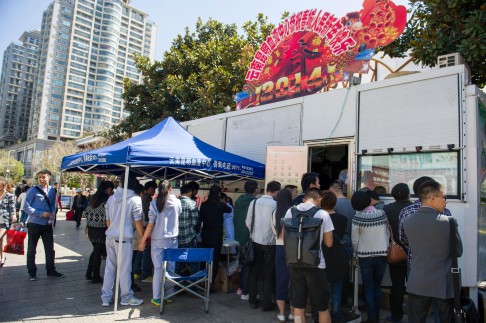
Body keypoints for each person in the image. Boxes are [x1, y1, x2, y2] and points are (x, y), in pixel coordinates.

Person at [403, 180, 462, 322]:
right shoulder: (449, 222)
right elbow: (458, 251)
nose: (445, 202)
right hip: (443, 284)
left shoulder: (408, 220)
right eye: (444, 197)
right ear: (432, 198)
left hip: (417, 281)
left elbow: (406, 243)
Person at [284, 187, 334, 323]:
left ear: (304, 198)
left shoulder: (290, 211)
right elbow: (329, 243)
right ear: (319, 198)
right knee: (322, 307)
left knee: (298, 305)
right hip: (316, 264)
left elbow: (284, 237)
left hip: (294, 262)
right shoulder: (323, 214)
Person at [101, 173, 145, 307]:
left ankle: (106, 298)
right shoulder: (135, 199)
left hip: (110, 237)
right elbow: (138, 222)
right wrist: (142, 238)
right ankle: (126, 297)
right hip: (124, 239)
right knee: (125, 269)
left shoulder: (111, 198)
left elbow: (108, 220)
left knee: (110, 268)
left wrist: (113, 230)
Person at [139, 180, 181, 306]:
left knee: (158, 269)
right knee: (171, 267)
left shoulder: (154, 203)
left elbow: (150, 225)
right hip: (173, 238)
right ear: (170, 189)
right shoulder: (177, 202)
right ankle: (169, 295)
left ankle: (157, 298)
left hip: (157, 239)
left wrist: (142, 241)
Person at [351, 191, 389, 323]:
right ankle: (377, 316)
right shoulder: (382, 214)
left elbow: (354, 241)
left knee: (368, 287)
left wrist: (355, 254)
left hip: (365, 256)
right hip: (382, 255)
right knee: (377, 286)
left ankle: (372, 318)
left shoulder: (357, 218)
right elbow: (387, 232)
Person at [246, 180, 281, 311]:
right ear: (277, 191)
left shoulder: (254, 202)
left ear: (267, 189)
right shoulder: (276, 205)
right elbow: (277, 226)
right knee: (268, 272)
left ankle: (252, 300)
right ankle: (266, 303)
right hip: (270, 243)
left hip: (255, 240)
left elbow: (248, 221)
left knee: (255, 270)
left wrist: (254, 233)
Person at [24, 169, 64, 280]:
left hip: (47, 224)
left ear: (49, 178)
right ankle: (32, 272)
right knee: (32, 249)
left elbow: (52, 203)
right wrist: (41, 213)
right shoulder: (32, 190)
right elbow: (26, 207)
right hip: (34, 223)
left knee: (50, 249)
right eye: (40, 177)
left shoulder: (52, 191)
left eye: (44, 177)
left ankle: (51, 270)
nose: (42, 179)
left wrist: (52, 213)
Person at [383, 183, 412, 323]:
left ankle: (396, 316)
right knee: (414, 287)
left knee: (397, 286)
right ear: (409, 194)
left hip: (395, 252)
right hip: (413, 253)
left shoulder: (387, 209)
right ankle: (415, 317)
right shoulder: (414, 208)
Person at [321, 190, 348, 323]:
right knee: (336, 289)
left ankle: (320, 315)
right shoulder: (343, 219)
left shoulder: (317, 218)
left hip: (321, 256)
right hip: (338, 256)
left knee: (321, 289)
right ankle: (336, 316)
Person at [199, 185, 231, 287]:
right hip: (217, 235)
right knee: (215, 259)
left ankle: (203, 280)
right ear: (218, 194)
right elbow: (229, 210)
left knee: (205, 257)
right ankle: (211, 282)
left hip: (206, 234)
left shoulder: (204, 205)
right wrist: (223, 200)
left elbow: (200, 219)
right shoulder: (221, 205)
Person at [329, 180, 355, 306]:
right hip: (350, 242)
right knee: (346, 273)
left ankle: (337, 304)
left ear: (333, 191)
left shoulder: (333, 205)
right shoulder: (351, 204)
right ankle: (345, 299)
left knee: (336, 277)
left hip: (338, 242)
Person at [85, 180, 114, 283]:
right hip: (102, 229)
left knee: (95, 251)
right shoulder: (108, 199)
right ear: (108, 189)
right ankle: (95, 275)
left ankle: (89, 273)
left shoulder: (92, 197)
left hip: (91, 228)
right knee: (98, 252)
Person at [272, 188, 294, 322]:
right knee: (293, 280)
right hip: (291, 249)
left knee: (280, 280)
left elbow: (274, 231)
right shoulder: (292, 212)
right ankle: (292, 312)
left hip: (278, 248)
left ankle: (281, 313)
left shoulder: (274, 212)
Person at [234, 180, 258, 300]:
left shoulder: (239, 200)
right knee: (248, 264)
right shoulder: (254, 202)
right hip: (249, 236)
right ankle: (244, 290)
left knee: (243, 263)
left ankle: (239, 288)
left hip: (238, 236)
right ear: (256, 189)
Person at [176, 183, 200, 276]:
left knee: (178, 261)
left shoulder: (175, 202)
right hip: (189, 237)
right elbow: (195, 222)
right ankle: (192, 285)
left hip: (177, 237)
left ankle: (177, 285)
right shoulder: (192, 203)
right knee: (194, 261)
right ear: (190, 192)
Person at [140, 180, 157, 281]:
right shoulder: (147, 199)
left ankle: (141, 271)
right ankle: (146, 273)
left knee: (142, 251)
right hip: (146, 226)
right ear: (148, 189)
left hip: (144, 226)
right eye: (153, 189)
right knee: (146, 250)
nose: (154, 191)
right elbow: (148, 215)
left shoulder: (143, 197)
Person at [0, 178, 16, 267]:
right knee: (0, 241)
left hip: (5, 222)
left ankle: (2, 258)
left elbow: (12, 208)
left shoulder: (9, 196)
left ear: (5, 186)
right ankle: (2, 258)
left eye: (1, 187)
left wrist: (13, 216)